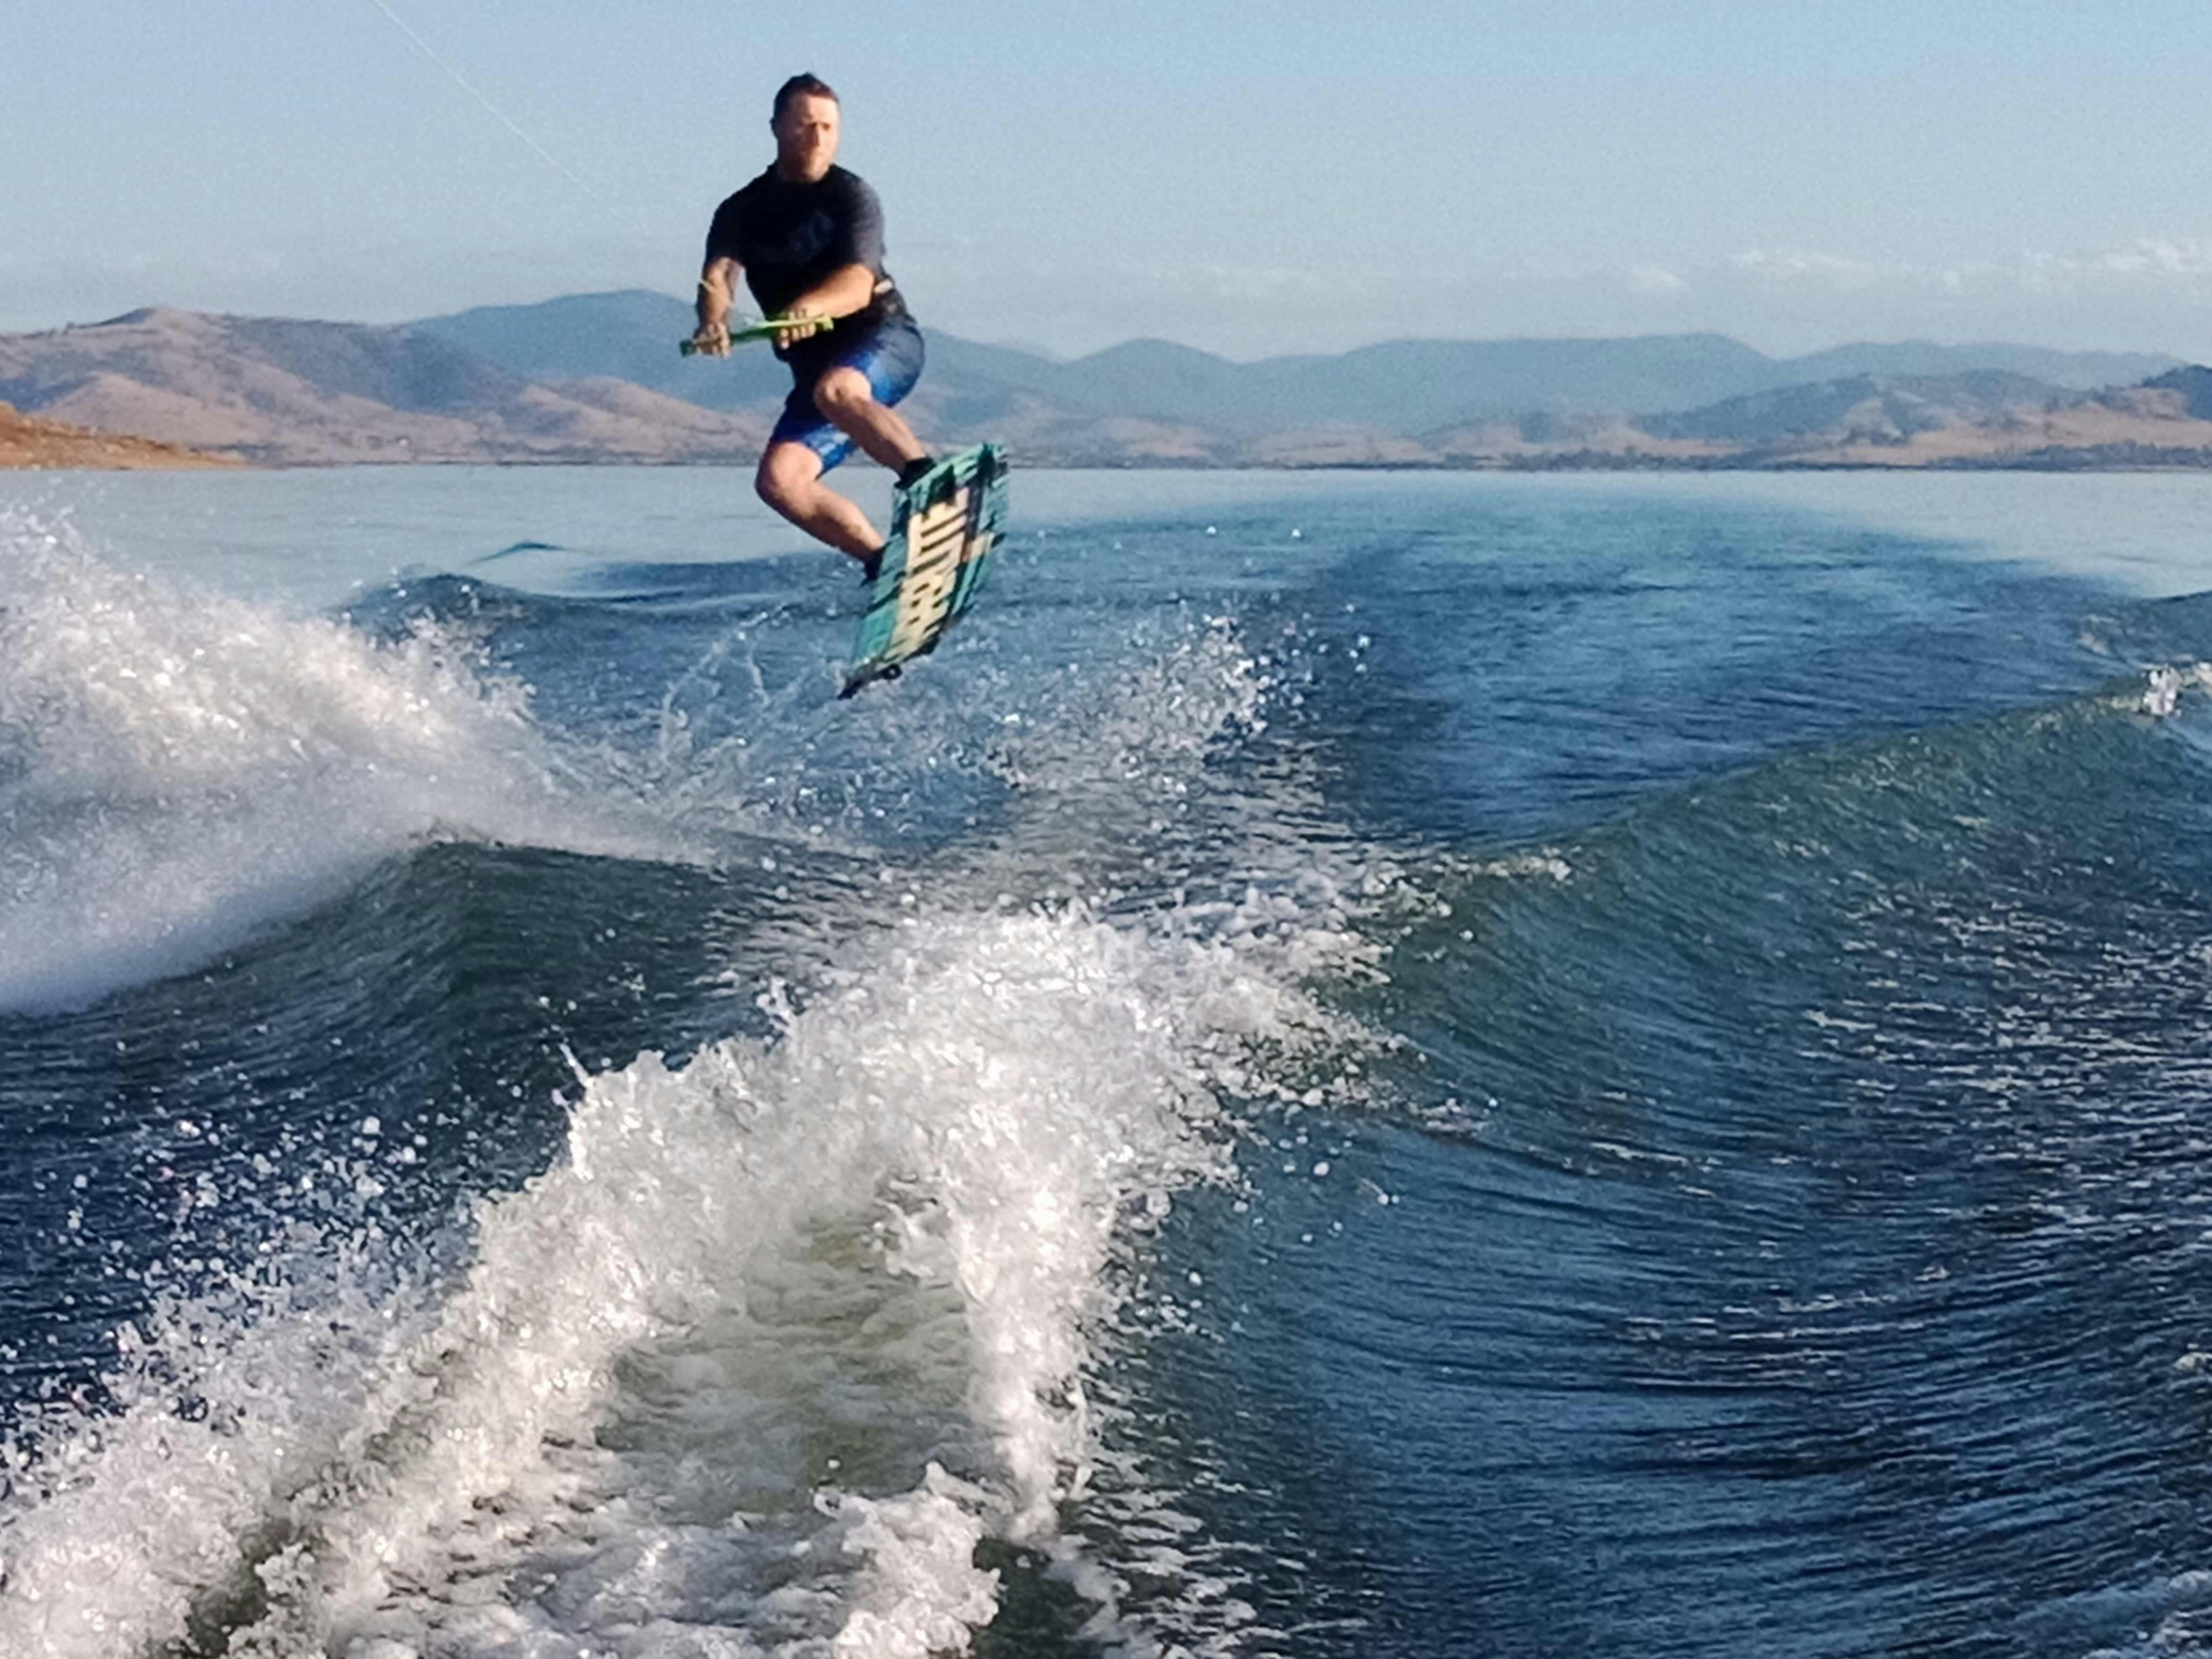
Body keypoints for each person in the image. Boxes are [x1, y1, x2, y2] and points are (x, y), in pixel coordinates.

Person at [691, 73, 932, 582]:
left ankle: (930, 484)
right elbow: (717, 276)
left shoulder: (851, 196)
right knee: (779, 481)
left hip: (884, 341)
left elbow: (857, 282)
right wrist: (712, 320)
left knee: (837, 390)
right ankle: (887, 567)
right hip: (820, 377)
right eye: (806, 126)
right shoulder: (741, 209)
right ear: (778, 128)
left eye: (829, 127)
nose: (819, 138)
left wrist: (805, 309)